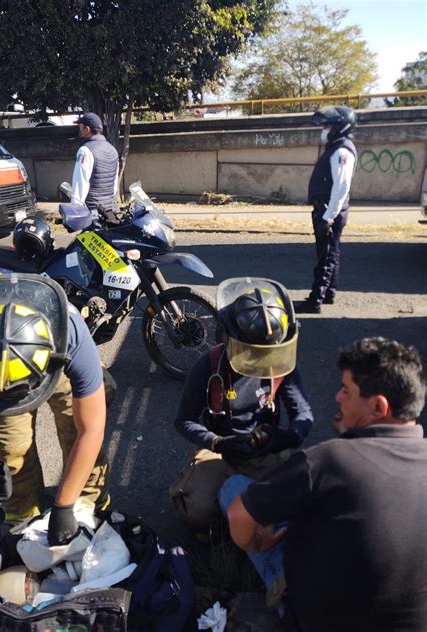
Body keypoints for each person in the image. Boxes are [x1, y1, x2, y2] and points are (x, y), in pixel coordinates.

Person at [224, 337, 427, 630]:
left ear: (378, 407)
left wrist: (257, 542)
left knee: (233, 488)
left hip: (314, 616)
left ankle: (278, 594)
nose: (337, 397)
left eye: (346, 391)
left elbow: (238, 514)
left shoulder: (329, 460)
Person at [0, 274, 112, 546]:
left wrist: (64, 507)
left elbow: (91, 429)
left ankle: (88, 503)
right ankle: (22, 515)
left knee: (74, 432)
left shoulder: (72, 337)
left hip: (55, 368)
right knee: (11, 446)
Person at [169, 277, 313, 532]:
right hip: (220, 448)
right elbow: (184, 420)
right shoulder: (209, 365)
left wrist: (287, 437)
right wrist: (217, 442)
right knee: (196, 511)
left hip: (266, 450)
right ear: (225, 336)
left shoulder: (280, 364)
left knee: (303, 501)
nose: (259, 360)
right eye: (250, 351)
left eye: (266, 352)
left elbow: (302, 413)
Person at [296, 106, 357, 314]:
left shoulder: (341, 151)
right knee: (332, 253)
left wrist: (328, 218)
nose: (324, 129)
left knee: (325, 257)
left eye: (327, 125)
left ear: (340, 127)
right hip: (328, 210)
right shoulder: (336, 147)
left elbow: (341, 188)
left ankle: (315, 301)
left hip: (329, 212)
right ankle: (329, 293)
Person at [71, 112, 119, 219]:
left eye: (81, 128)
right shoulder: (112, 150)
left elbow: (80, 183)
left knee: (84, 237)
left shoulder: (85, 150)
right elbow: (114, 183)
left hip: (92, 212)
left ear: (87, 129)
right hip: (110, 211)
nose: (79, 131)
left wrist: (75, 212)